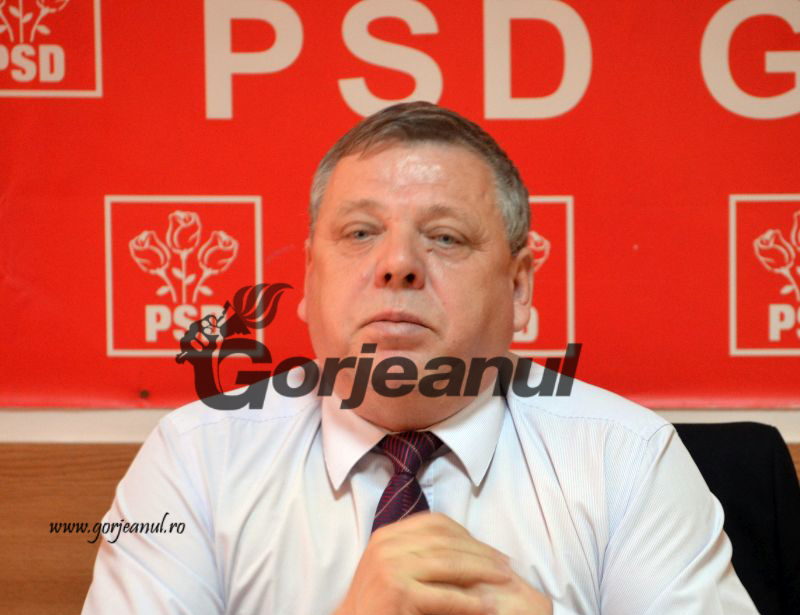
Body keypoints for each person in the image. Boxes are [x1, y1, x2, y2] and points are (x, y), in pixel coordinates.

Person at [82, 102, 759, 615]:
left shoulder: (627, 459)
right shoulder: (194, 461)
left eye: (445, 237)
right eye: (360, 233)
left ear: (519, 288)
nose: (399, 263)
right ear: (309, 279)